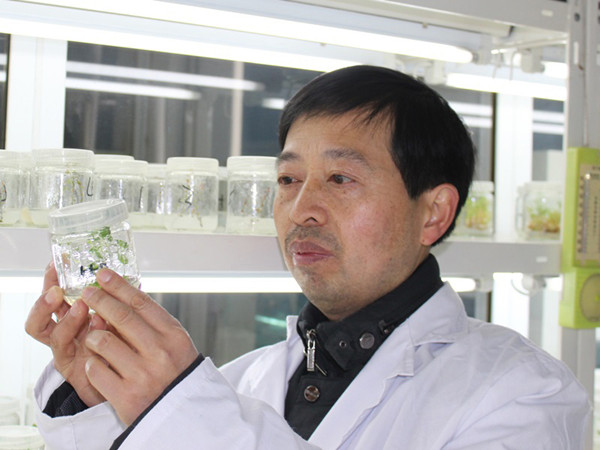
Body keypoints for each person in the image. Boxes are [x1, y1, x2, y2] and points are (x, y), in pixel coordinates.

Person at [26, 65, 590, 449]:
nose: (301, 210)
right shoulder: (244, 379)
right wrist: (99, 399)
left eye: (341, 178)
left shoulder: (521, 392)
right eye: (288, 179)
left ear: (433, 212)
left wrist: (184, 409)